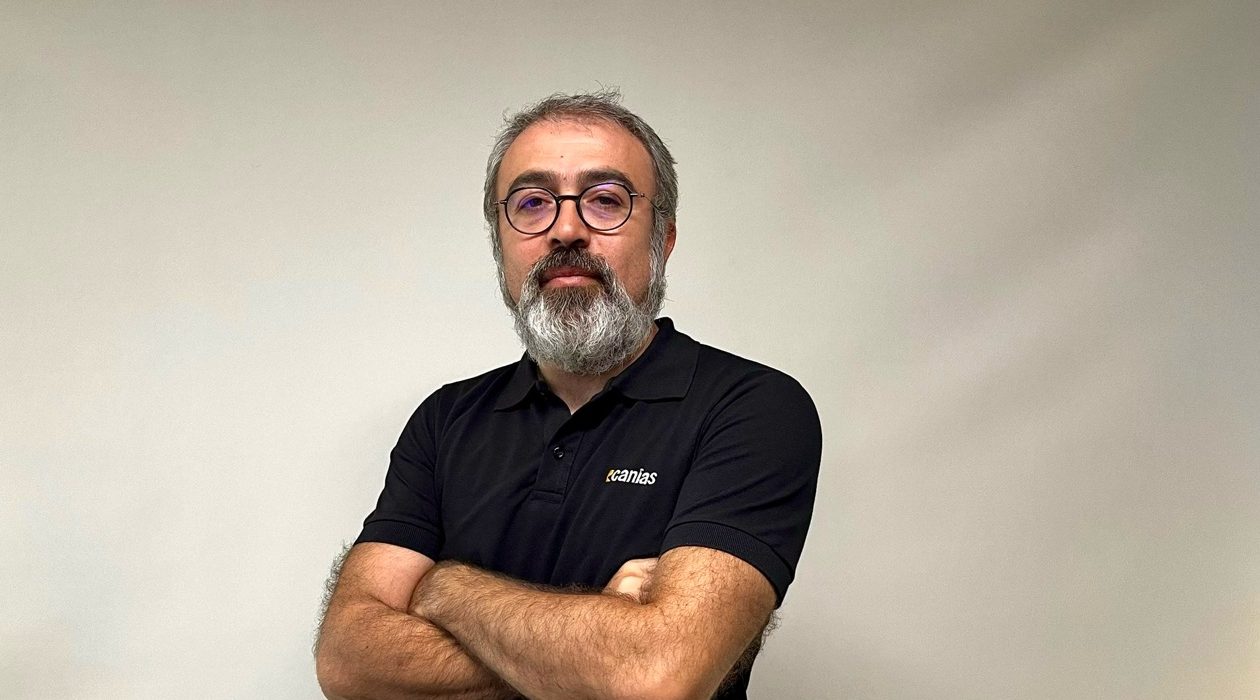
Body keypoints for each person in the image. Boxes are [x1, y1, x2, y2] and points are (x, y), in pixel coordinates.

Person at [315, 90, 822, 700]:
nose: (566, 229)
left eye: (606, 199)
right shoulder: (445, 420)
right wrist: (597, 642)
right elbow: (347, 661)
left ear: (662, 240)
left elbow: (656, 676)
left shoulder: (753, 409)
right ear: (500, 243)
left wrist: (444, 588)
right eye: (532, 203)